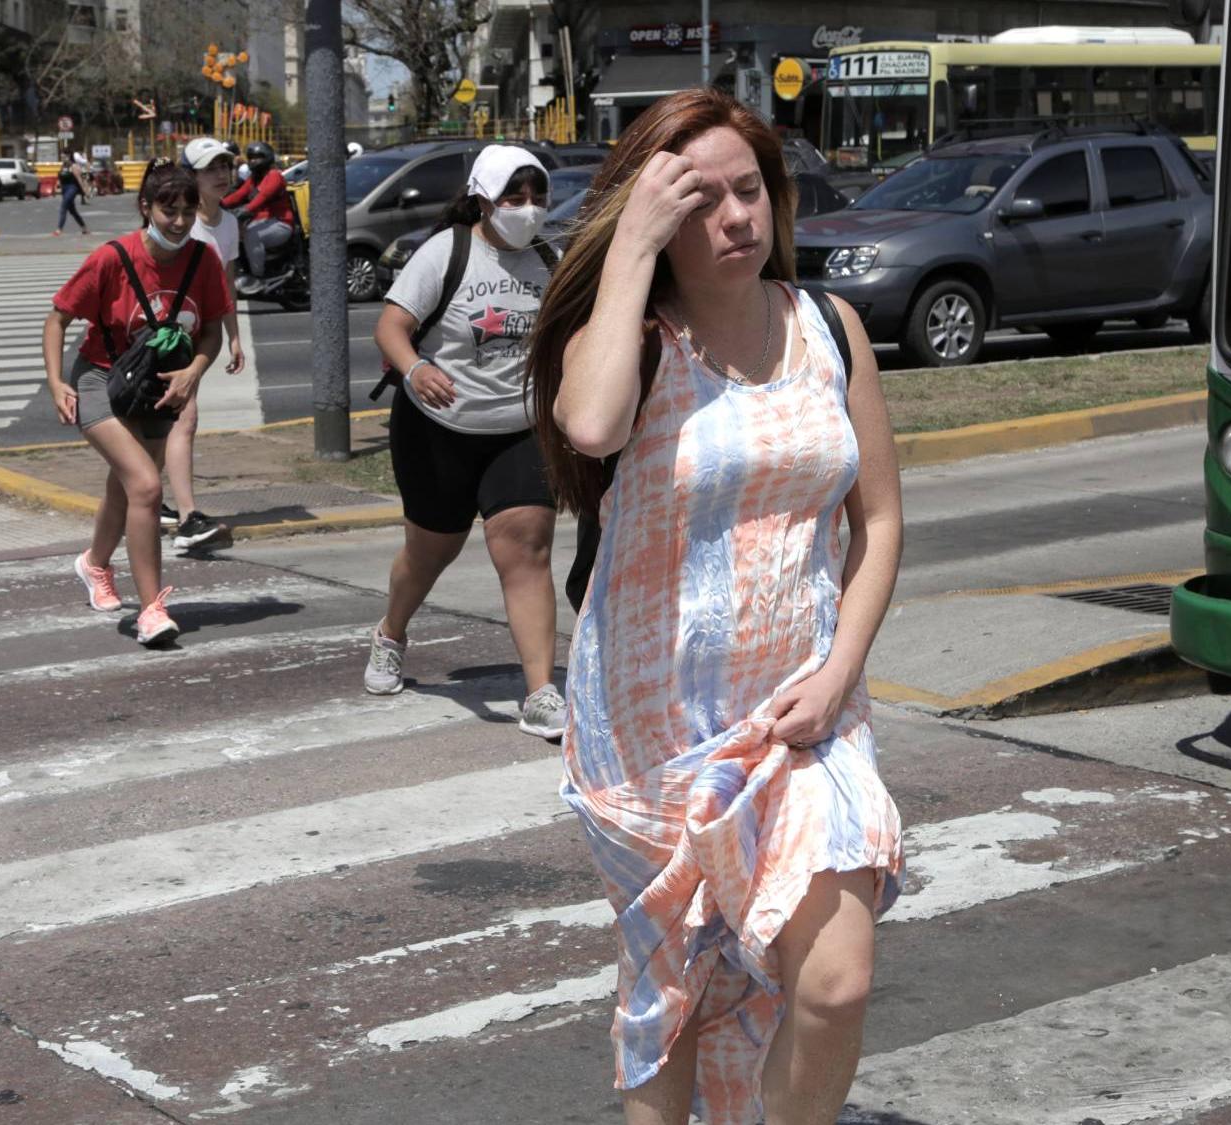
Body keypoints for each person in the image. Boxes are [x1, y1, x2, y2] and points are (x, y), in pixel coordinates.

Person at [527, 87, 905, 1125]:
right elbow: (592, 426)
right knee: (680, 992)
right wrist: (629, 247)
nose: (735, 218)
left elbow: (876, 526)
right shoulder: (633, 343)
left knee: (833, 981)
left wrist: (836, 675)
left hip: (801, 717)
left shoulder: (828, 329)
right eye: (699, 201)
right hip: (649, 737)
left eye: (749, 191)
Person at [364, 144, 565, 740]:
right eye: (513, 197)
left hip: (519, 430)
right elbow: (391, 326)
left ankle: (540, 693)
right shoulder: (446, 252)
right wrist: (414, 370)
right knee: (430, 553)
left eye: (537, 197)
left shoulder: (549, 260)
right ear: (483, 197)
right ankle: (391, 633)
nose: (527, 209)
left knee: (525, 549)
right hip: (438, 430)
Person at [43, 158, 231, 647]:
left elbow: (210, 326)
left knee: (125, 488)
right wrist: (54, 381)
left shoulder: (202, 259)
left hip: (151, 385)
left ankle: (94, 563)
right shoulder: (112, 258)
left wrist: (194, 371)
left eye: (188, 212)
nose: (179, 222)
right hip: (98, 380)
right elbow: (57, 319)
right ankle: (152, 610)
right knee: (147, 485)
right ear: (145, 207)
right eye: (169, 211)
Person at [154, 137, 248, 550]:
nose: (221, 175)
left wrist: (234, 335)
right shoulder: (178, 221)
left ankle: (150, 500)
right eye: (211, 168)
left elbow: (225, 285)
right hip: (161, 334)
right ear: (189, 175)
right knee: (183, 418)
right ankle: (188, 517)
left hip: (195, 335)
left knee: (165, 422)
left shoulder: (227, 224)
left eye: (226, 166)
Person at [221, 140, 295, 280]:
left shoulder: (274, 176)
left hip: (282, 224)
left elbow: (262, 197)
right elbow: (239, 194)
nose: (253, 161)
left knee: (251, 235)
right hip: (264, 221)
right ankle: (243, 268)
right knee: (237, 233)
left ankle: (257, 276)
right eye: (251, 158)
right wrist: (219, 204)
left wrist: (244, 211)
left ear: (267, 157)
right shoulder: (254, 178)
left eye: (257, 157)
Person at [53, 148, 91, 236]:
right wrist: (57, 187)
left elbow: (80, 179)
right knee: (72, 211)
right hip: (64, 189)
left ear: (68, 155)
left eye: (63, 154)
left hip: (72, 188)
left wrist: (85, 191)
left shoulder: (74, 166)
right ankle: (84, 228)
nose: (61, 156)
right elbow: (60, 178)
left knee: (64, 206)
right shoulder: (63, 166)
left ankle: (59, 229)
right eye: (61, 154)